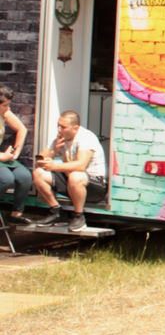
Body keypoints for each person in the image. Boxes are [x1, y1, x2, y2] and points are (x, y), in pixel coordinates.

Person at [33, 110, 108, 232]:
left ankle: (78, 216)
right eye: (58, 125)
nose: (59, 129)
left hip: (95, 186)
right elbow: (38, 161)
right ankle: (57, 213)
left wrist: (53, 167)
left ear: (75, 128)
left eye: (63, 127)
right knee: (38, 173)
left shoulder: (86, 137)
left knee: (75, 175)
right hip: (71, 182)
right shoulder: (60, 137)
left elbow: (80, 166)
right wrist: (54, 150)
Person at [0, 87, 34, 228]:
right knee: (6, 179)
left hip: (2, 156)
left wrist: (15, 153)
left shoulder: (5, 113)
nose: (8, 108)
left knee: (25, 176)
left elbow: (22, 129)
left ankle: (16, 215)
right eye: (5, 105)